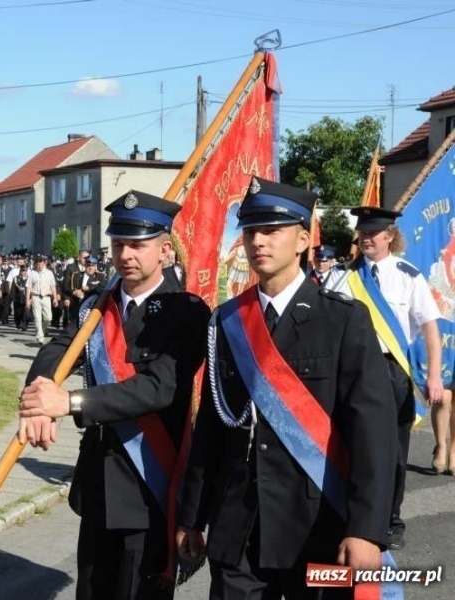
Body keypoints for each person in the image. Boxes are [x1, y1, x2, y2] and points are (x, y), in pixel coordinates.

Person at [177, 177, 398, 599]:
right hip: (238, 528)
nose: (258, 241)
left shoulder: (343, 321)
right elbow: (210, 426)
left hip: (316, 527)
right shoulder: (227, 322)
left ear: (301, 241)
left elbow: (374, 432)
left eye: (272, 231)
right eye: (250, 231)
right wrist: (192, 516)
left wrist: (368, 530)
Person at [19, 190, 210, 600]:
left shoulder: (187, 311)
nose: (126, 254)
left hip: (149, 484)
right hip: (98, 482)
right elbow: (58, 349)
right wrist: (38, 396)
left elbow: (160, 386)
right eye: (119, 244)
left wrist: (69, 403)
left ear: (164, 250)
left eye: (137, 245)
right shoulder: (96, 305)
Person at [325, 206, 444, 549]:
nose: (366, 239)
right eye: (362, 234)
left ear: (390, 236)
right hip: (353, 369)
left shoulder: (409, 276)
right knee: (350, 443)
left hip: (392, 371)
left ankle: (391, 519)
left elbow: (430, 329)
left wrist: (433, 375)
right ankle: (351, 516)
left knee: (393, 450)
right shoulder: (342, 277)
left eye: (373, 234)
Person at [26, 255, 59, 343]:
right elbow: (28, 287)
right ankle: (40, 338)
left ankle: (41, 331)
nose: (40, 266)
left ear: (45, 264)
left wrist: (55, 298)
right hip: (35, 296)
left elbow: (53, 286)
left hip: (46, 297)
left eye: (41, 264)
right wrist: (27, 301)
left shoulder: (49, 273)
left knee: (48, 318)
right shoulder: (33, 273)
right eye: (38, 264)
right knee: (37, 318)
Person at [9, 264, 31, 331]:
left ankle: (24, 325)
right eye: (23, 270)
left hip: (27, 299)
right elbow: (13, 289)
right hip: (18, 299)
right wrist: (13, 297)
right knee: (18, 313)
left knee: (27, 313)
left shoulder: (30, 278)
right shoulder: (16, 278)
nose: (25, 272)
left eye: (26, 270)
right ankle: (18, 324)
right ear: (20, 271)